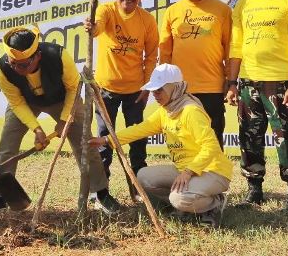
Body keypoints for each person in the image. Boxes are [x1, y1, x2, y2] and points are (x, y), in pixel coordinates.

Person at [0, 25, 120, 214]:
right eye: (12, 62)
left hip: (63, 99)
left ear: (37, 56)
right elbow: (17, 103)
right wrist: (36, 129)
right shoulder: (4, 69)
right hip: (26, 102)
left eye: (21, 65)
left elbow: (72, 88)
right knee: (7, 144)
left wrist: (64, 120)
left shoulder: (59, 56)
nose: (15, 68)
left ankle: (101, 194)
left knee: (84, 142)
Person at [90, 64, 232, 227]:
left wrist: (188, 172)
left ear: (175, 88)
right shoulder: (166, 110)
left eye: (159, 90)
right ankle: (188, 204)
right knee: (143, 177)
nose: (154, 95)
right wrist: (107, 140)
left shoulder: (191, 111)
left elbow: (211, 147)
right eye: (153, 90)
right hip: (184, 170)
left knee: (179, 198)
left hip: (213, 171)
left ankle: (215, 203)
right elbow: (140, 129)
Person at [225, 0, 288, 215]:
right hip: (249, 81)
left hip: (281, 82)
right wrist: (232, 83)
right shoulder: (243, 3)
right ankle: (254, 189)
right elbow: (236, 46)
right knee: (249, 137)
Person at [83, 0, 158, 197]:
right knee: (104, 141)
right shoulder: (106, 10)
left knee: (137, 140)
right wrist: (91, 26)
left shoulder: (147, 20)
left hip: (135, 91)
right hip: (105, 90)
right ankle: (102, 192)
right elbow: (97, 29)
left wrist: (147, 87)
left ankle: (137, 189)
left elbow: (152, 55)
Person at [159, 0, 231, 149]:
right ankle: (186, 177)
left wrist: (230, 81)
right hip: (180, 89)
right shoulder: (172, 11)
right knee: (184, 139)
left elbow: (230, 48)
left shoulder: (222, 10)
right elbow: (165, 51)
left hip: (212, 86)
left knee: (213, 139)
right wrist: (165, 84)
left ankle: (215, 177)